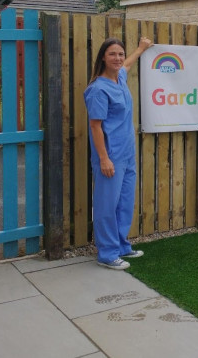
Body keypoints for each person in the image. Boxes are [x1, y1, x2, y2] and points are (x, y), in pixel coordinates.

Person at [84, 36, 153, 269]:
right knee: (106, 205)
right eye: (112, 54)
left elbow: (128, 65)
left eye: (120, 53)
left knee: (124, 202)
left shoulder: (119, 79)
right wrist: (103, 158)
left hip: (127, 154)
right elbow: (95, 126)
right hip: (110, 156)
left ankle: (122, 246)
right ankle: (107, 253)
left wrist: (141, 48)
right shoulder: (98, 89)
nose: (118, 58)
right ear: (103, 57)